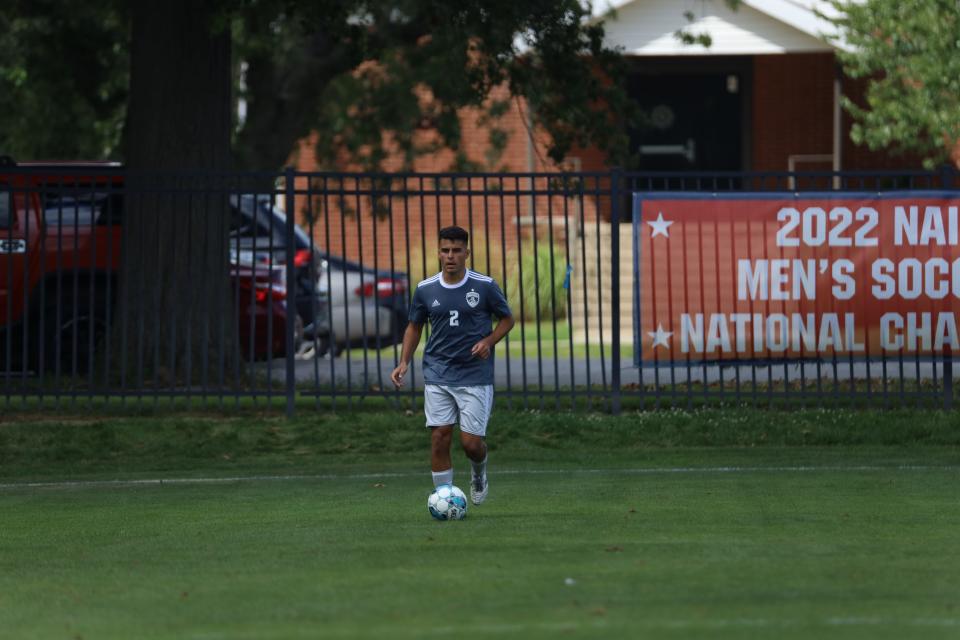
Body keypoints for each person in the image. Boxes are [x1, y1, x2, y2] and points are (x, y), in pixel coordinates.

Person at [391, 225, 514, 505]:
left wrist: (488, 341)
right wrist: (404, 362)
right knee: (440, 437)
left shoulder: (485, 286)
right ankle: (444, 498)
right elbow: (414, 326)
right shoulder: (425, 289)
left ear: (466, 253)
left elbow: (507, 320)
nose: (450, 256)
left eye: (456, 250)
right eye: (445, 250)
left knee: (471, 444)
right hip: (437, 372)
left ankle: (478, 473)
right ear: (438, 252)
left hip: (474, 375)